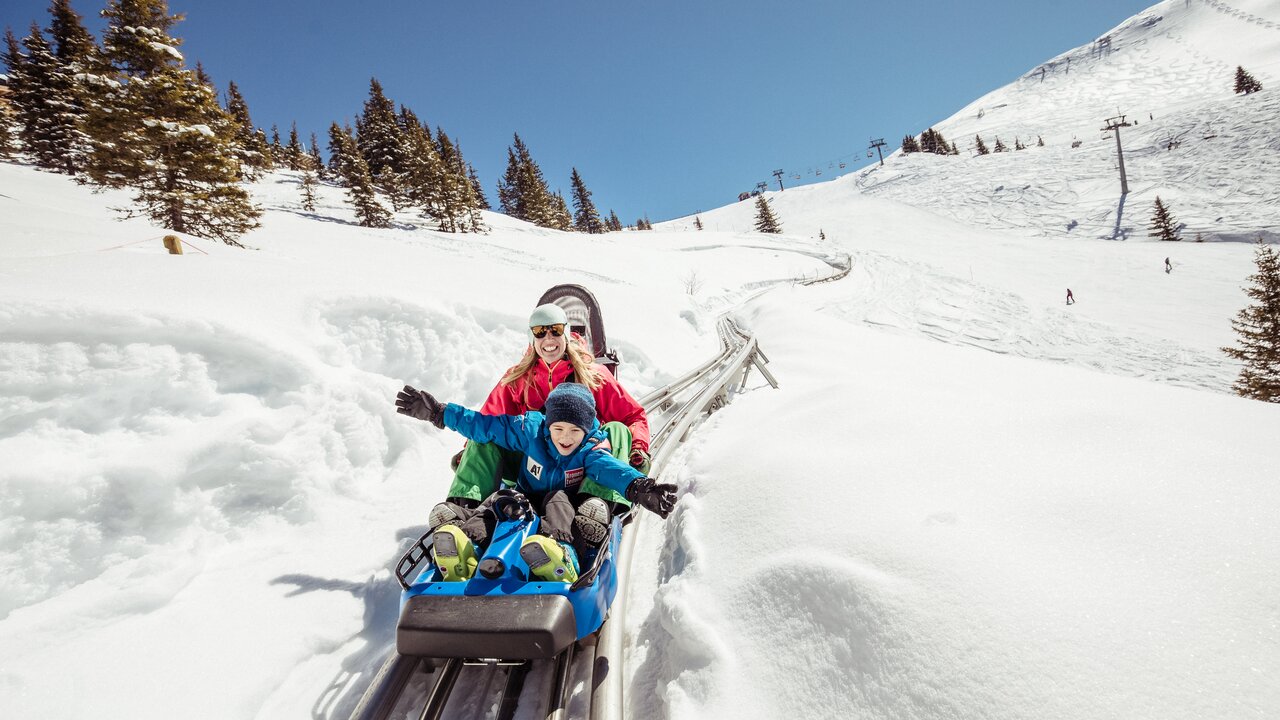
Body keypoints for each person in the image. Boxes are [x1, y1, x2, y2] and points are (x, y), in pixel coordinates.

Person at [396, 382, 677, 583]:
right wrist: (440, 413)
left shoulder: (590, 448)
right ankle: (466, 547)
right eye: (558, 429)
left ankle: (562, 556)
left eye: (574, 431)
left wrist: (641, 487)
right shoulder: (529, 430)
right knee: (496, 503)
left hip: (564, 505)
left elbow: (611, 468)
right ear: (547, 426)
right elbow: (485, 426)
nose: (566, 438)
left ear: (587, 429)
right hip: (525, 497)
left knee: (557, 501)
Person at [445, 303, 651, 511]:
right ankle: (463, 506)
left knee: (617, 429)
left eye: (556, 330)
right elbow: (488, 419)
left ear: (567, 333)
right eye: (540, 332)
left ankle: (595, 505)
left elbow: (633, 416)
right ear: (532, 338)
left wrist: (638, 449)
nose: (548, 338)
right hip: (533, 469)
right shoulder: (517, 379)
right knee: (483, 436)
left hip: (583, 468)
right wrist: (468, 455)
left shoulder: (594, 376)